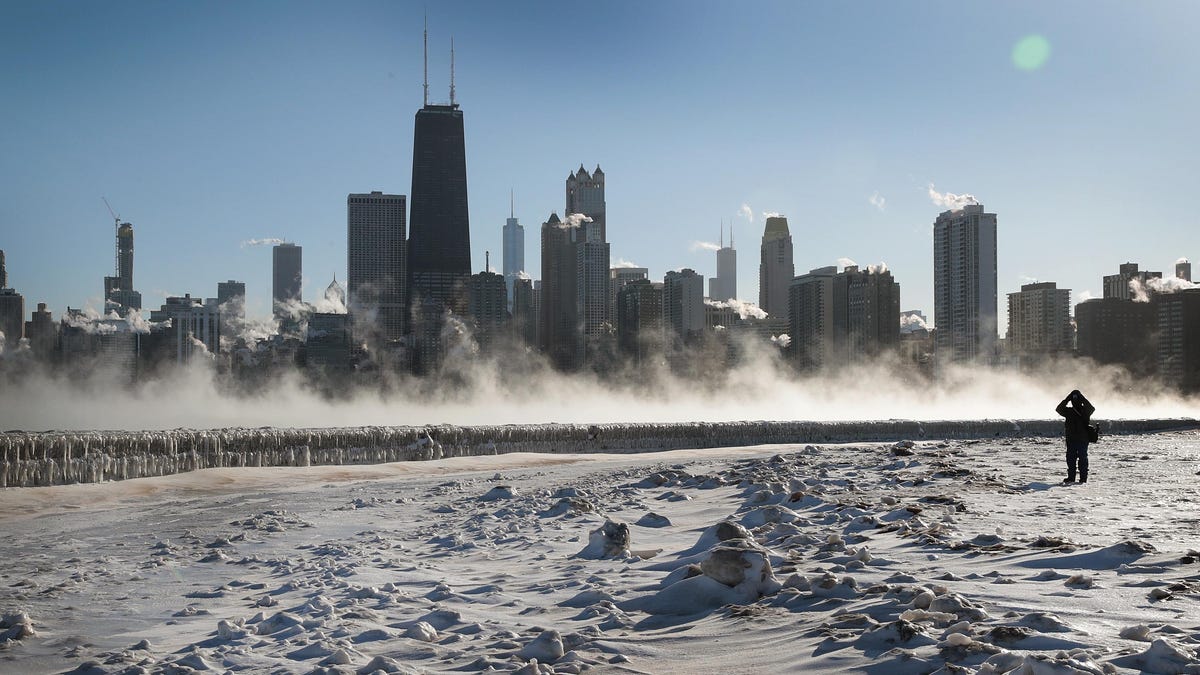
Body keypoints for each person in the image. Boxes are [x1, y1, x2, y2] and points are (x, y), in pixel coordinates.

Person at [1055, 389, 1095, 484]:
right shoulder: (1080, 411)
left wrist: (1068, 398)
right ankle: (1076, 478)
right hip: (1076, 439)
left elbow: (1059, 409)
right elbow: (1058, 409)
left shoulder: (1082, 411)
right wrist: (1072, 398)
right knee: (1075, 459)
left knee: (1077, 459)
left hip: (1078, 439)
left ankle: (1079, 478)